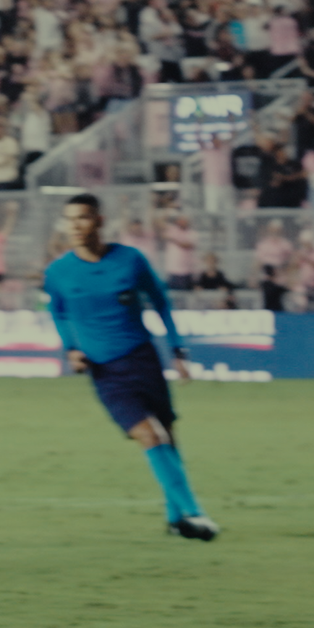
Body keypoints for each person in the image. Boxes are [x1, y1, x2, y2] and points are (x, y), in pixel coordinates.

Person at [40, 193, 217, 541]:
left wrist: (178, 351)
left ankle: (174, 518)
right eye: (69, 219)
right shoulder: (59, 272)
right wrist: (71, 349)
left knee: (168, 436)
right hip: (105, 371)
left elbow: (161, 303)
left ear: (99, 221)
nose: (75, 226)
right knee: (149, 436)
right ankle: (195, 514)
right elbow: (58, 312)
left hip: (142, 358)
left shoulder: (130, 260)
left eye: (83, 218)